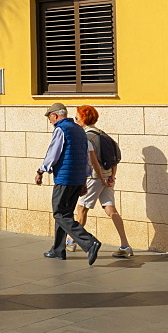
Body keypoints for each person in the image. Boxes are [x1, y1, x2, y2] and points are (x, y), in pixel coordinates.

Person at [34, 102, 102, 265]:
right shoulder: (79, 129)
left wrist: (40, 171)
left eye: (50, 118)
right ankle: (58, 250)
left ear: (55, 115)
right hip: (77, 179)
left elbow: (53, 153)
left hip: (65, 178)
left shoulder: (61, 129)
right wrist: (84, 180)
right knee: (65, 215)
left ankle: (89, 242)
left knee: (60, 214)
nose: (51, 122)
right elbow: (86, 158)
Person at [66, 105, 133, 257]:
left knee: (81, 209)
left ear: (84, 119)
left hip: (94, 178)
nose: (75, 121)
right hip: (107, 177)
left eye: (77, 118)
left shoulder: (87, 137)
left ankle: (71, 241)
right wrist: (111, 177)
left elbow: (90, 161)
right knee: (111, 211)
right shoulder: (103, 134)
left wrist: (101, 179)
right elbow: (114, 158)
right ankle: (125, 245)